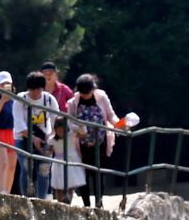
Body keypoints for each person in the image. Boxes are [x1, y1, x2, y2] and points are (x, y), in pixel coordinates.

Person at [65, 73, 118, 205]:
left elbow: (111, 116)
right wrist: (78, 129)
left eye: (87, 92)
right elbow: (69, 121)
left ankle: (99, 203)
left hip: (100, 141)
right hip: (82, 143)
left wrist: (121, 124)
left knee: (99, 173)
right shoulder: (73, 103)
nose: (85, 95)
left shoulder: (102, 97)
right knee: (83, 175)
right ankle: (86, 204)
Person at [20, 71, 59, 198]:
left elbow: (56, 121)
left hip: (45, 138)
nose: (35, 93)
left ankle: (41, 200)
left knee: (44, 170)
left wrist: (52, 138)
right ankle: (26, 198)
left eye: (38, 89)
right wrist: (33, 138)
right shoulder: (21, 99)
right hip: (23, 137)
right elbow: (19, 123)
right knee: (26, 168)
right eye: (32, 90)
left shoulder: (49, 100)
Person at [0, 70, 24, 195]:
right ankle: (1, 190)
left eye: (7, 84)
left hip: (12, 132)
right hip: (0, 132)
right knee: (3, 163)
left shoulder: (15, 100)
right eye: (2, 84)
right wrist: (2, 100)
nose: (5, 87)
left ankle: (7, 192)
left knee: (12, 166)